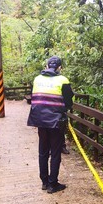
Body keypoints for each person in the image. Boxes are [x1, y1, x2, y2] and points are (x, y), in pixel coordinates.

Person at [27, 56, 74, 194]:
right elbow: (68, 101)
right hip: (56, 121)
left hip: (40, 120)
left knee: (43, 151)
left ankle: (44, 181)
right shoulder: (62, 80)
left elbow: (34, 97)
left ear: (47, 66)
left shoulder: (37, 79)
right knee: (55, 152)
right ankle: (53, 184)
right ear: (59, 67)